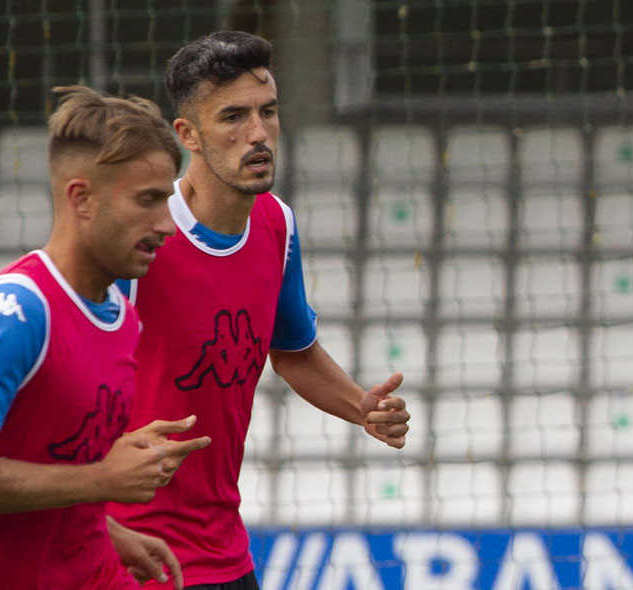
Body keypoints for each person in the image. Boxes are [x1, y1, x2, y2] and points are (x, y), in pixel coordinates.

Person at [106, 31, 411, 589]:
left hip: (224, 550)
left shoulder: (277, 224)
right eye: (233, 117)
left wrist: (360, 407)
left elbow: (292, 352)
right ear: (188, 135)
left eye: (267, 112)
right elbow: (73, 379)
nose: (258, 133)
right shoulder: (140, 238)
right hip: (133, 549)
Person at [0, 85, 212, 590]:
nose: (166, 225)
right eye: (148, 201)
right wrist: (102, 482)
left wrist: (105, 527)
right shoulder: (15, 313)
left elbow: (54, 465)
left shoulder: (121, 316)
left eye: (168, 202)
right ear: (81, 199)